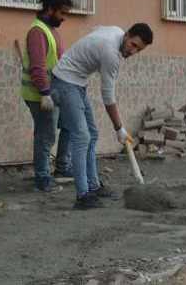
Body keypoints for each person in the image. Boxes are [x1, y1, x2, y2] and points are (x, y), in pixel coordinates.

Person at [51, 23, 154, 209]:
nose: (133, 51)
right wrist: (119, 128)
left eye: (138, 49)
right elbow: (108, 97)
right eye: (133, 45)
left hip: (77, 82)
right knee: (81, 136)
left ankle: (93, 186)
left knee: (92, 133)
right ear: (127, 35)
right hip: (64, 82)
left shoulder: (116, 32)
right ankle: (82, 196)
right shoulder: (111, 53)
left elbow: (95, 31)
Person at [21, 0, 74, 193]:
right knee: (45, 136)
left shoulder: (50, 30)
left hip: (54, 92)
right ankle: (43, 179)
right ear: (50, 9)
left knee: (69, 125)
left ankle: (62, 167)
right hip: (40, 95)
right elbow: (38, 66)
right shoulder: (38, 32)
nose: (64, 17)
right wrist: (44, 92)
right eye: (62, 12)